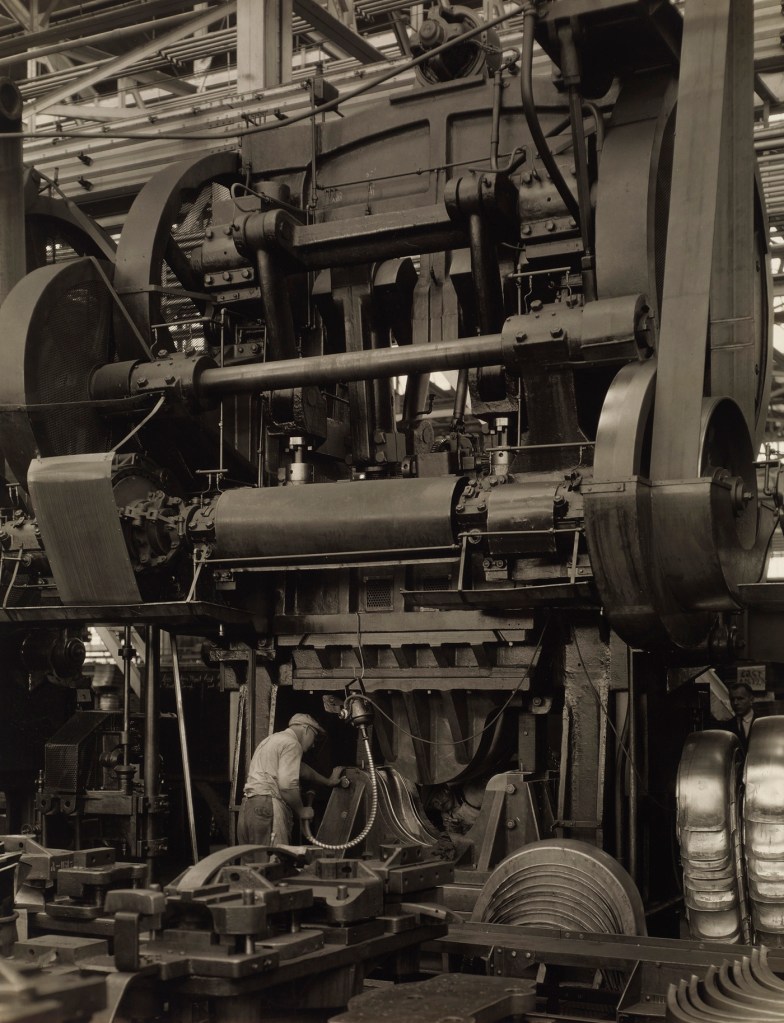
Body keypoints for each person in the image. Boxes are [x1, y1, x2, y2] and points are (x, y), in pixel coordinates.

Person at [237, 713, 343, 846]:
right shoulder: (292, 744)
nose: (313, 745)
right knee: (273, 857)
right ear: (306, 729)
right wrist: (301, 811)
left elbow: (302, 769)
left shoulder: (273, 740)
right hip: (268, 806)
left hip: (249, 807)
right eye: (314, 737)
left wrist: (328, 781)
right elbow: (287, 786)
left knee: (252, 857)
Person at [719, 681, 757, 754]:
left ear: (751, 700)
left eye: (740, 698)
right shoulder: (726, 727)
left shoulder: (763, 723)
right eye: (732, 699)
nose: (735, 703)